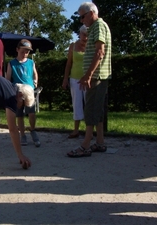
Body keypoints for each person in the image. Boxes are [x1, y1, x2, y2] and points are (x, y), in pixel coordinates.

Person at [67, 2, 112, 157]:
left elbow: (100, 52)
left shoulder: (99, 26)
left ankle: (85, 145)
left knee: (91, 109)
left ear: (92, 13)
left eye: (82, 16)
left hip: (96, 77)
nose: (81, 20)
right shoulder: (95, 27)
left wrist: (88, 75)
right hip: (97, 76)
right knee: (97, 110)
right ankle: (100, 142)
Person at [6, 39, 41, 147]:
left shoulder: (31, 62)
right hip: (18, 90)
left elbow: (35, 74)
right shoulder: (12, 63)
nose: (25, 53)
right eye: (23, 51)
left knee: (31, 112)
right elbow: (8, 78)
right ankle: (22, 135)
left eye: (27, 51)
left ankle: (33, 130)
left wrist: (35, 83)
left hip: (29, 90)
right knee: (19, 114)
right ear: (17, 50)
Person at [62, 25, 88, 139]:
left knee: (89, 104)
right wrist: (65, 79)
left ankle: (89, 131)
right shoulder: (73, 46)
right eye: (83, 35)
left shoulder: (91, 46)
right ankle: (76, 130)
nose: (85, 37)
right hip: (75, 78)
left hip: (88, 79)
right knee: (76, 104)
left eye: (87, 35)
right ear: (80, 33)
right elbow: (69, 63)